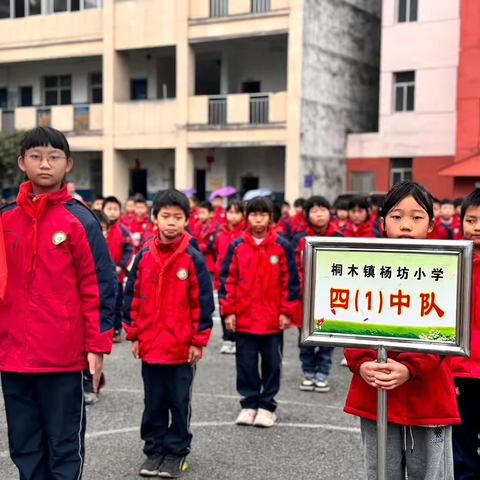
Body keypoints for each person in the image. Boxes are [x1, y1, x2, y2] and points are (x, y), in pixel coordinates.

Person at [0, 126, 116, 479]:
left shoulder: (80, 221)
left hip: (61, 357)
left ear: (68, 164)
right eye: (36, 156)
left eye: (54, 157)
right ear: (22, 163)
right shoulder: (5, 220)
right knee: (24, 441)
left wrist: (96, 347)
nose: (44, 164)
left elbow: (99, 285)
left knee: (64, 444)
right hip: (13, 356)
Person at [344, 180, 459, 480]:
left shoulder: (446, 269)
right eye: (396, 216)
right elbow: (348, 323)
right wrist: (361, 362)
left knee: (431, 473)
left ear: (432, 224)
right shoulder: (365, 268)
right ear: (382, 222)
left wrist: (411, 368)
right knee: (381, 471)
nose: (406, 225)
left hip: (428, 392)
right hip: (375, 389)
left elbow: (447, 334)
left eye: (416, 217)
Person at [123, 189, 214, 478]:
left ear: (188, 219)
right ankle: (154, 450)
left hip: (180, 348)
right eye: (166, 216)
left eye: (178, 217)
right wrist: (134, 335)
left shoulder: (193, 258)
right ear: (154, 218)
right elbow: (131, 298)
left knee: (178, 400)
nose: (171, 222)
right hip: (150, 346)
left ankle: (176, 452)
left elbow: (202, 304)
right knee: (153, 401)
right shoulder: (142, 257)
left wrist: (198, 341)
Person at [219, 197, 300, 428]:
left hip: (272, 320)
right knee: (245, 363)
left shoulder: (282, 246)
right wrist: (228, 312)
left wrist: (286, 312)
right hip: (244, 318)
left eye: (263, 215)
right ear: (247, 217)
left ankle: (266, 406)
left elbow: (290, 282)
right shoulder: (237, 246)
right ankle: (248, 404)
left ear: (270, 218)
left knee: (272, 364)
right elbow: (227, 281)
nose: (258, 219)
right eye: (253, 214)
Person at [291, 196, 343, 392]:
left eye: (323, 209)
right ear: (306, 215)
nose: (319, 214)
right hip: (304, 298)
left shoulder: (338, 238)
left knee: (327, 337)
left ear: (330, 213)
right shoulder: (298, 238)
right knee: (304, 338)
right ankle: (308, 371)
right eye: (314, 210)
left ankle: (323, 371)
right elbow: (293, 267)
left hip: (330, 298)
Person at [450, 189, 480, 478]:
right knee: (460, 442)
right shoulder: (450, 262)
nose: (477, 227)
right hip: (458, 368)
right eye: (471, 220)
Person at [83, 209, 111, 405]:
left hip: (100, 316)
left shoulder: (105, 259)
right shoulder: (84, 251)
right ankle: (88, 382)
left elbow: (110, 293)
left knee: (92, 353)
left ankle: (92, 383)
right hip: (80, 314)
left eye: (103, 230)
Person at [212, 200, 245, 354]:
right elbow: (215, 253)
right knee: (224, 306)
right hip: (222, 277)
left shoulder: (245, 233)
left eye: (237, 212)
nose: (233, 216)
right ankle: (227, 339)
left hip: (241, 277)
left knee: (239, 308)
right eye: (230, 212)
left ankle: (238, 338)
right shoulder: (219, 234)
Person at [103, 196, 133, 343]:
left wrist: (121, 266)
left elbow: (129, 250)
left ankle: (116, 328)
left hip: (118, 275)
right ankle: (103, 329)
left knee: (117, 303)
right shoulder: (97, 227)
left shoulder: (123, 231)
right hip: (100, 274)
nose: (112, 212)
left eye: (115, 209)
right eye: (109, 209)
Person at [194, 201, 218, 276]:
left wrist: (201, 247)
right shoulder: (197, 225)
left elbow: (213, 243)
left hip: (210, 258)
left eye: (203, 213)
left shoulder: (215, 226)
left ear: (211, 214)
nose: (200, 215)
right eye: (199, 213)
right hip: (198, 257)